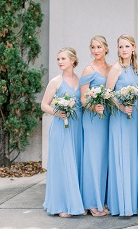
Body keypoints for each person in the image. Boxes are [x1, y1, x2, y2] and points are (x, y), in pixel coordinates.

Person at [42, 47, 84, 217]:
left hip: (77, 128)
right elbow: (44, 104)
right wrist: (56, 112)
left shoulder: (81, 81)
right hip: (61, 127)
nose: (60, 62)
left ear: (73, 60)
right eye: (58, 59)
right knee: (62, 164)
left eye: (63, 59)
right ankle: (61, 205)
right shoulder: (55, 82)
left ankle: (75, 201)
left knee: (75, 163)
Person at [106, 35, 138, 216]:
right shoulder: (116, 68)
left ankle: (132, 202)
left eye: (127, 46)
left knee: (131, 157)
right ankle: (121, 204)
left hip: (133, 119)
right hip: (120, 118)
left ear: (133, 48)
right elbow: (108, 93)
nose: (124, 50)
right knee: (121, 156)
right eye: (120, 47)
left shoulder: (134, 68)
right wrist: (120, 106)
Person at [79, 35, 112, 217]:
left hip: (108, 118)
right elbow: (83, 98)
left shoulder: (112, 68)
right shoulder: (87, 70)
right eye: (93, 47)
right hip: (93, 119)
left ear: (106, 48)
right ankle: (92, 202)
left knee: (105, 158)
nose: (96, 50)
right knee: (93, 158)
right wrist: (94, 105)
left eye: (99, 47)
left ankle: (105, 198)